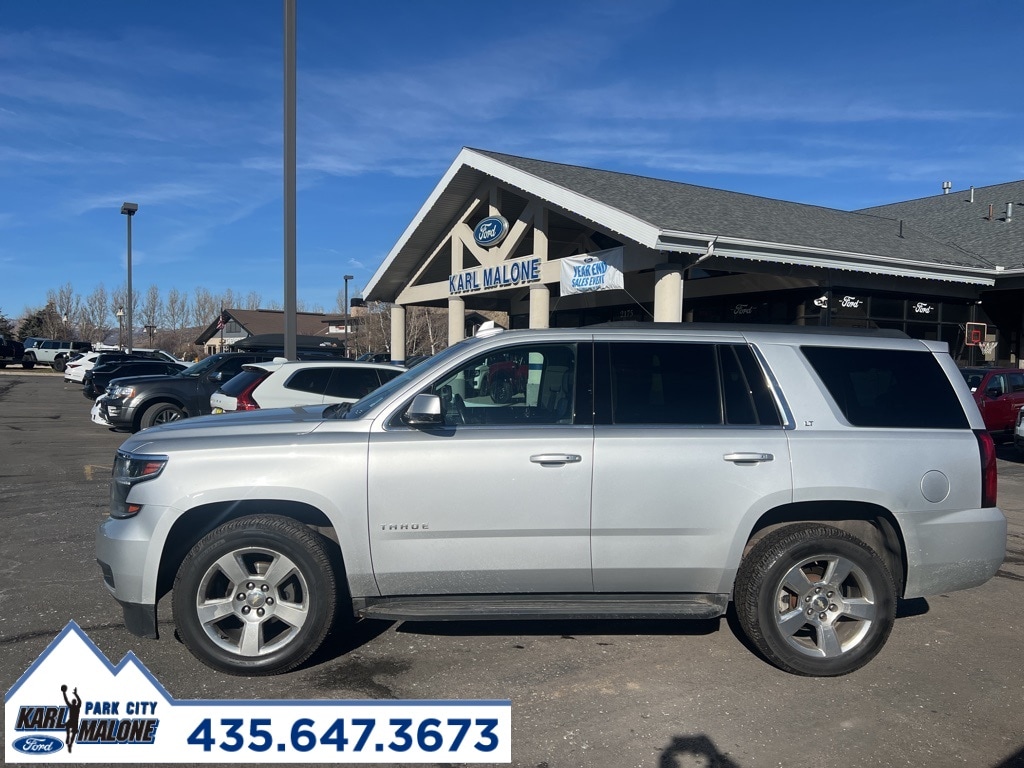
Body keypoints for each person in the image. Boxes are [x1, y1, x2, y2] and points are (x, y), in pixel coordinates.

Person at [61, 684, 81, 753]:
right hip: (73, 721)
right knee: (71, 731)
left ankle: (69, 741)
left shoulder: (74, 706)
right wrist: (75, 694)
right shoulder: (75, 706)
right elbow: (66, 700)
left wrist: (75, 694)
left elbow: (66, 700)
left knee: (69, 727)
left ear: (73, 702)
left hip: (73, 721)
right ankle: (68, 738)